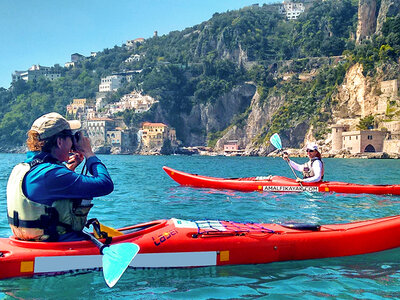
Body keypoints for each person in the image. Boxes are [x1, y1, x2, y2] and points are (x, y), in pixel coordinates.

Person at [6, 112, 114, 242]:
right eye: (70, 137)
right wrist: (89, 153)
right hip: (59, 244)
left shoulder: (22, 168)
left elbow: (44, 193)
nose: (73, 143)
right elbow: (105, 184)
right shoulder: (53, 175)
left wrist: (69, 170)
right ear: (59, 141)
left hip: (28, 241)